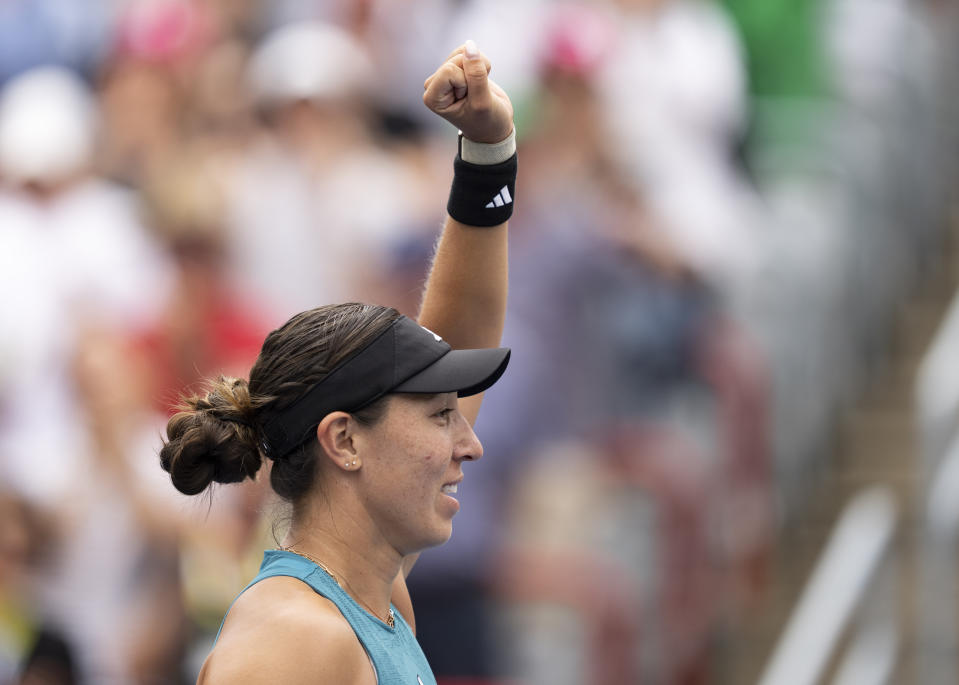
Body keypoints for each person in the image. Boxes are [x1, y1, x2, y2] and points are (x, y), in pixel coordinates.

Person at [159, 40, 516, 684]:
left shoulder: (368, 599)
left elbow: (457, 332)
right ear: (345, 440)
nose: (471, 442)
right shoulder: (294, 639)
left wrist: (490, 150)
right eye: (439, 416)